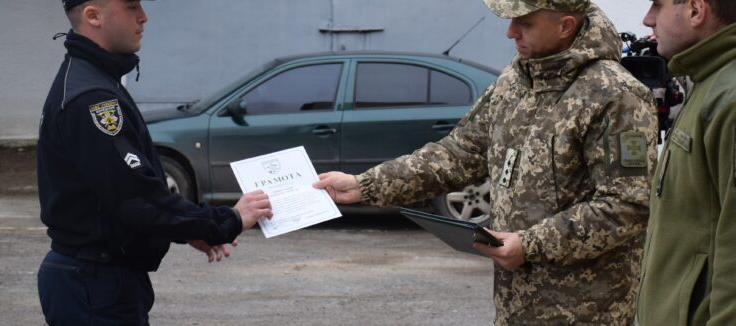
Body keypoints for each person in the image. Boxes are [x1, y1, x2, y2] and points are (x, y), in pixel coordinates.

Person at [314, 0, 657, 324]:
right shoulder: (516, 81)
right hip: (515, 303)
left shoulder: (615, 95)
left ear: (565, 25)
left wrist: (531, 244)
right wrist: (365, 185)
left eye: (524, 23)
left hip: (586, 309)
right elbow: (458, 153)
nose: (510, 32)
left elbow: (626, 205)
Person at [36, 0, 272, 324]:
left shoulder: (97, 81)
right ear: (93, 15)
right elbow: (140, 200)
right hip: (92, 283)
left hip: (99, 280)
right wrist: (226, 220)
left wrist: (187, 229)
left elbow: (124, 194)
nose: (144, 17)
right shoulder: (92, 97)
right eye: (132, 6)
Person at [636, 0, 736, 324]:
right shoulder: (706, 81)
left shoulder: (729, 97)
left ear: (695, 9)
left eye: (657, 5)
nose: (647, 20)